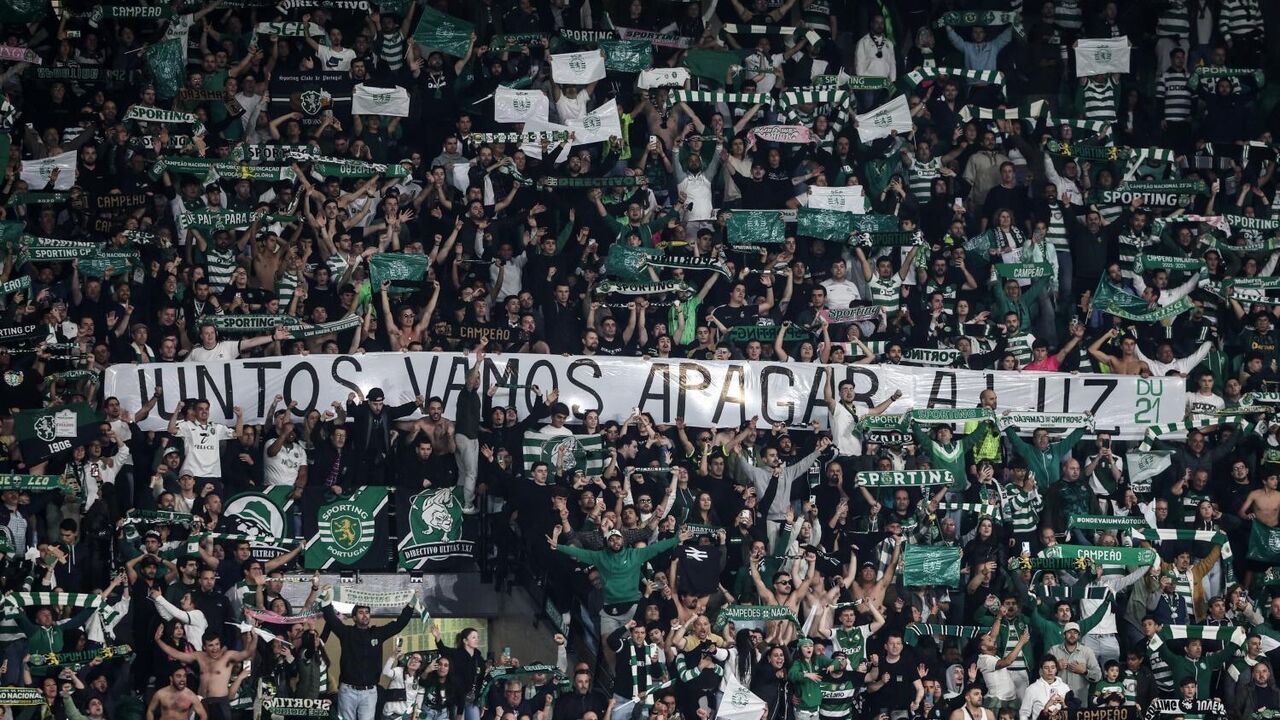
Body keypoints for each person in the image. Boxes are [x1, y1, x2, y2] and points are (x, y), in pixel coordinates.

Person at [320, 593, 417, 720]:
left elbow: (399, 624)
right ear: (354, 617)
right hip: (348, 690)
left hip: (370, 692)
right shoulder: (346, 633)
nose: (365, 615)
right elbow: (331, 619)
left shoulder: (377, 633)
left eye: (367, 612)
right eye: (361, 612)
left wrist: (410, 606)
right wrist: (325, 597)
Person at [154, 620, 260, 720]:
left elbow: (247, 653)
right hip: (202, 702)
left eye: (217, 644)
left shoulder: (228, 656)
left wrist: (255, 638)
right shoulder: (200, 656)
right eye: (211, 645)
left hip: (219, 703)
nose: (215, 648)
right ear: (204, 647)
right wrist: (158, 641)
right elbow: (177, 654)